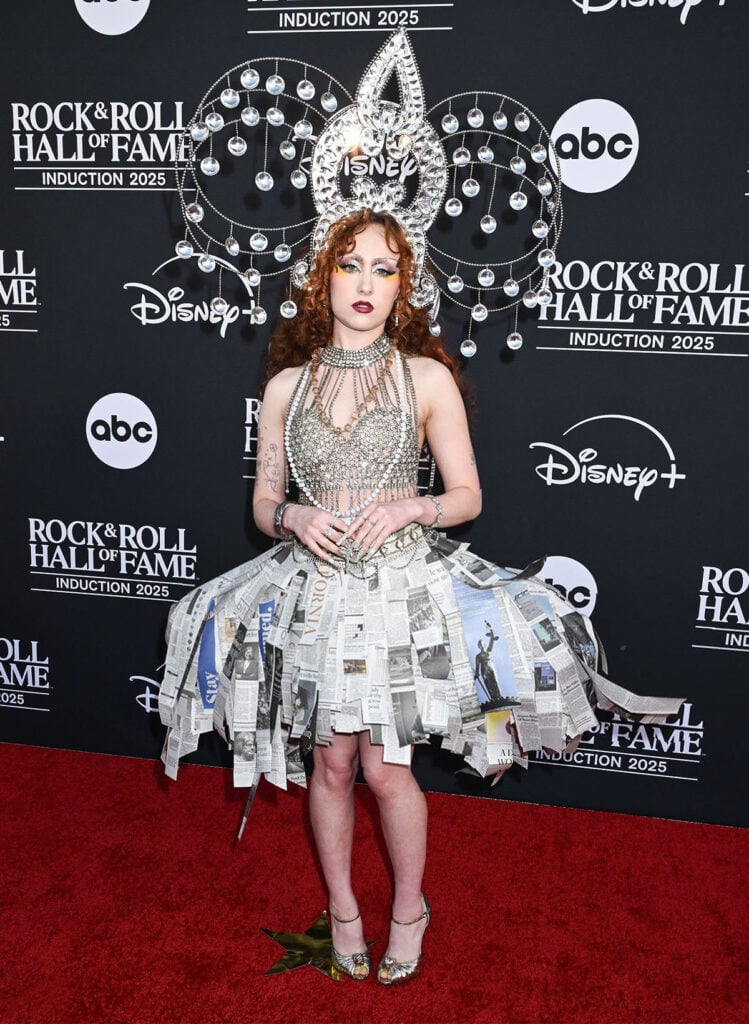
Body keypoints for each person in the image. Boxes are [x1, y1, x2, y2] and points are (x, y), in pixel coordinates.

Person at [159, 206, 680, 987]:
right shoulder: (285, 388)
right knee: (329, 764)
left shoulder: (425, 378)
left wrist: (412, 507)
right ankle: (342, 909)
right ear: (320, 279)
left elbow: (467, 495)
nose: (365, 283)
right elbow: (262, 506)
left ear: (404, 285)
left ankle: (409, 909)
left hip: (399, 592)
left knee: (383, 770)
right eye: (349, 265)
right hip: (315, 592)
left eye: (384, 268)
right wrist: (292, 516)